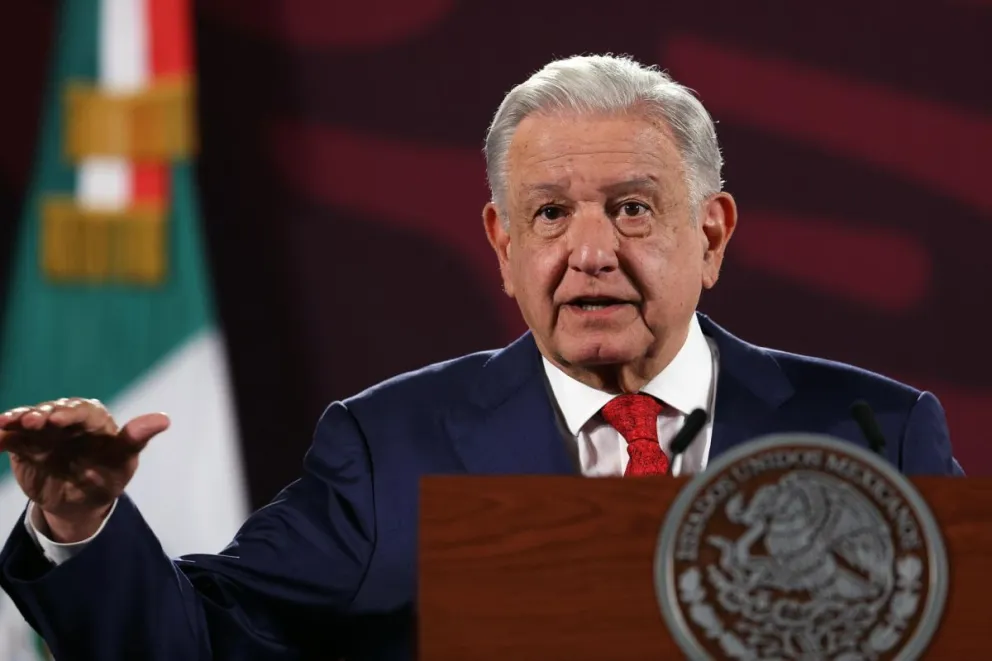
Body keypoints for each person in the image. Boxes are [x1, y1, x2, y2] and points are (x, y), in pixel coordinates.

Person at [0, 54, 963, 660]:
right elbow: (205, 641)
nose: (591, 251)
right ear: (503, 246)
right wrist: (78, 524)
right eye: (551, 214)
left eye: (632, 208)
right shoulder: (394, 444)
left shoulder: (875, 433)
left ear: (710, 234)